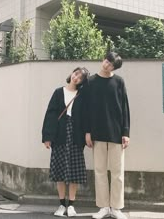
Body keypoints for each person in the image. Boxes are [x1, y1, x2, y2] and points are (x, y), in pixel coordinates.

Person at [85, 52, 130, 219]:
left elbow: (124, 107)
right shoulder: (90, 82)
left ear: (114, 67)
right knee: (100, 171)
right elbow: (86, 109)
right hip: (96, 133)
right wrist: (87, 132)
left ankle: (116, 208)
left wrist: (126, 132)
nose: (106, 65)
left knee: (118, 172)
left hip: (117, 133)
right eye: (106, 61)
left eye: (110, 64)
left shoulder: (119, 82)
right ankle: (104, 207)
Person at [42, 67, 89, 217]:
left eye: (80, 78)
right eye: (76, 74)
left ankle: (72, 206)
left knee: (74, 171)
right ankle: (62, 204)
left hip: (76, 136)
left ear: (82, 81)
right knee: (59, 171)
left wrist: (87, 135)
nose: (76, 78)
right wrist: (47, 136)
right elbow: (50, 114)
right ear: (71, 74)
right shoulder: (58, 92)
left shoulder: (82, 95)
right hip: (60, 135)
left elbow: (86, 116)